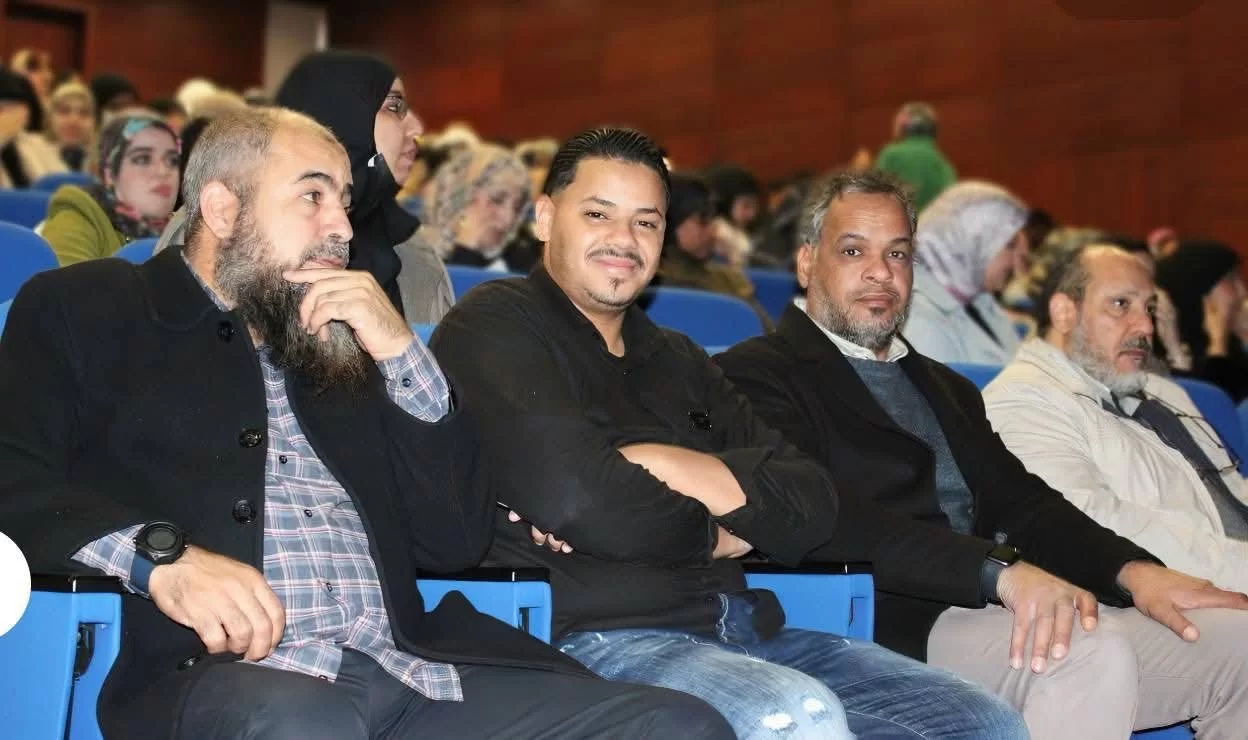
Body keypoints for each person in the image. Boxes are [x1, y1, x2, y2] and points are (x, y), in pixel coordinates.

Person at [0, 108, 734, 740]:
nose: (342, 228)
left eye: (346, 202)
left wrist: (402, 354)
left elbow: (453, 538)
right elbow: (12, 474)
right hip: (225, 675)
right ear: (222, 209)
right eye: (313, 196)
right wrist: (162, 558)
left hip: (409, 669)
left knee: (679, 725)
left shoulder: (345, 347)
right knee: (306, 722)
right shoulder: (86, 309)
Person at [432, 127, 1030, 740]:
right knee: (797, 718)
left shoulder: (680, 358)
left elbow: (811, 501)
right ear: (544, 218)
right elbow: (584, 502)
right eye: (598, 214)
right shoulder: (495, 326)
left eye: (646, 222)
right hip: (595, 640)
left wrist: (660, 467)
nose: (624, 239)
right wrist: (726, 529)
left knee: (983, 720)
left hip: (745, 628)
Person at [715, 169, 1248, 738]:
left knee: (1236, 644)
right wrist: (997, 573)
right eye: (853, 251)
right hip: (881, 617)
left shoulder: (947, 388)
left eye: (898, 253)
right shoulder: (754, 375)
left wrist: (1137, 573)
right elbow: (827, 516)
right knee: (1082, 653)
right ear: (805, 263)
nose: (880, 271)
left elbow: (1024, 505)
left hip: (991, 604)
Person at [984, 244, 1248, 593]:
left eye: (1149, 308)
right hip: (1177, 593)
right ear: (1064, 313)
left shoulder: (1159, 389)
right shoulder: (1023, 401)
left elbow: (1230, 492)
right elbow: (1093, 532)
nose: (1146, 326)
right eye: (1121, 304)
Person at [156, 51, 455, 325]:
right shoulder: (220, 220)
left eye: (345, 202)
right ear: (343, 109)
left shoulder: (413, 256)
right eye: (394, 106)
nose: (416, 128)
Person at [903, 180, 1030, 365]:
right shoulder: (920, 319)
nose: (1015, 263)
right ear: (970, 240)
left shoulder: (980, 302)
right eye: (1009, 246)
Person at [42, 114, 178, 265]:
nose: (163, 171)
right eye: (142, 159)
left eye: (172, 160)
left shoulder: (184, 226)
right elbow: (67, 279)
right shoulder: (81, 214)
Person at [658, 172, 772, 326]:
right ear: (670, 222)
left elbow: (765, 332)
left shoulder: (730, 281)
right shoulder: (643, 283)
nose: (713, 231)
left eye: (713, 220)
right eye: (703, 221)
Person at [420, 143, 538, 273]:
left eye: (517, 206)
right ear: (459, 198)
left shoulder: (523, 260)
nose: (509, 218)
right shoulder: (415, 255)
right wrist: (465, 249)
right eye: (496, 199)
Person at [1156, 240, 1248, 401]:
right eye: (1231, 280)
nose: (1242, 292)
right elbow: (1215, 407)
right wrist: (1218, 345)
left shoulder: (1235, 345)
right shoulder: (1164, 353)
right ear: (1200, 290)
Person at [874, 102, 956, 212]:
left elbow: (877, 195)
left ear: (904, 125)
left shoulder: (890, 155)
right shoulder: (941, 161)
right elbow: (951, 199)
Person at [0, 69, 66, 188]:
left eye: (15, 109)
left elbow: (64, 186)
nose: (10, 116)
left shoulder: (37, 144)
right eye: (2, 109)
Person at [44, 80, 95, 171]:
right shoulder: (33, 161)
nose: (74, 121)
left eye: (84, 113)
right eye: (65, 111)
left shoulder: (104, 166)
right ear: (50, 118)